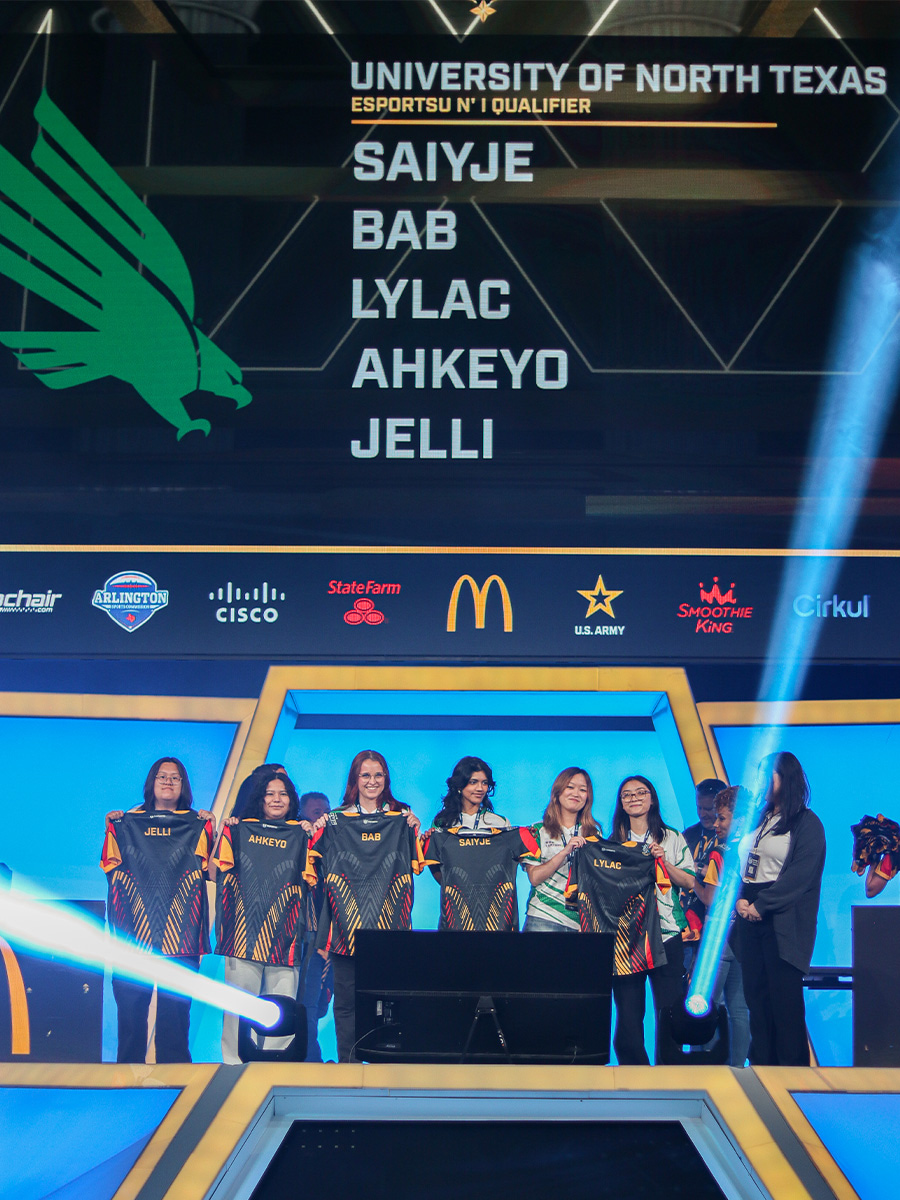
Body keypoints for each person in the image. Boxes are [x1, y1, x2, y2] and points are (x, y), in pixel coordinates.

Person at [308, 751, 422, 1062]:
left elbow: (419, 864)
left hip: (390, 930)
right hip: (345, 928)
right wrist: (316, 826)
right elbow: (313, 867)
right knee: (345, 1001)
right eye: (365, 775)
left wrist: (413, 827)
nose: (372, 782)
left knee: (387, 1001)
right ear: (355, 780)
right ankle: (348, 1063)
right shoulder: (334, 820)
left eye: (378, 775)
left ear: (386, 780)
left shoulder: (402, 819)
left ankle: (385, 1062)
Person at [102, 756, 215, 1063]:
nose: (168, 782)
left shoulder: (198, 825)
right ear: (151, 783)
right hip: (132, 939)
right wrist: (112, 828)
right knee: (130, 1023)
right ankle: (125, 1091)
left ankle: (177, 1094)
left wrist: (213, 834)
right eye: (162, 776)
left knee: (175, 1025)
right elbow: (110, 869)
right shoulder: (124, 824)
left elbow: (215, 873)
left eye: (175, 777)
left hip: (181, 939)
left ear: (184, 786)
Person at [736, 751, 825, 1066]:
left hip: (782, 919)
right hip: (749, 914)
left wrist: (762, 905)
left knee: (784, 1004)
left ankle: (793, 1078)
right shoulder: (760, 817)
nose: (760, 781)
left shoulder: (806, 822)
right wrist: (740, 898)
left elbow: (800, 876)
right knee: (756, 1000)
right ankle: (762, 1069)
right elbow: (742, 863)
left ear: (785, 778)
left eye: (767, 774)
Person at [216, 767, 308, 1063]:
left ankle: (277, 1069)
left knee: (282, 1010)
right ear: (260, 799)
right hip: (243, 934)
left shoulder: (303, 835)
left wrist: (312, 833)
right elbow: (214, 871)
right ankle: (233, 1067)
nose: (277, 799)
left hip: (286, 935)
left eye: (283, 794)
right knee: (238, 1007)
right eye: (270, 794)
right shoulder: (239, 830)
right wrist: (227, 830)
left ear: (292, 800)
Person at [608, 775, 695, 1065]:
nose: (633, 798)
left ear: (653, 798)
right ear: (621, 803)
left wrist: (664, 862)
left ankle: (669, 1074)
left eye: (640, 793)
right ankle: (635, 1075)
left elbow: (690, 882)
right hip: (626, 938)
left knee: (669, 1010)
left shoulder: (671, 837)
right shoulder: (612, 844)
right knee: (629, 1013)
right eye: (627, 795)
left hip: (667, 933)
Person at [692, 785, 751, 1067]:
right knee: (739, 1009)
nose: (715, 824)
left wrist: (689, 878)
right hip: (744, 935)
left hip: (717, 937)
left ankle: (702, 1068)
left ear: (739, 818)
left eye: (722, 818)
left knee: (703, 1005)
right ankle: (738, 1068)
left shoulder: (719, 851)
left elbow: (709, 898)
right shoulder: (755, 845)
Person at [521, 767, 600, 932]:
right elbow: (534, 877)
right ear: (557, 792)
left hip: (581, 921)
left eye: (583, 789)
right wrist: (565, 852)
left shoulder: (593, 833)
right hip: (543, 916)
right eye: (570, 787)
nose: (576, 793)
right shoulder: (537, 831)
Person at [295, 790, 334, 1062]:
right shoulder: (295, 841)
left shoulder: (334, 844)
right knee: (305, 1003)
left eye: (324, 812)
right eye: (314, 812)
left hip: (329, 935)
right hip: (299, 935)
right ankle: (308, 1060)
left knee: (318, 1005)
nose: (320, 817)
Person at [681, 778, 727, 952]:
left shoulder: (731, 839)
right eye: (699, 807)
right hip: (688, 924)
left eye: (708, 809)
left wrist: (699, 870)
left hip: (719, 927)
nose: (702, 814)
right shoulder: (688, 835)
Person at [431, 757, 511, 831]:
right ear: (459, 786)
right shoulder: (442, 822)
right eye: (473, 782)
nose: (480, 788)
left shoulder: (501, 823)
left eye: (484, 783)